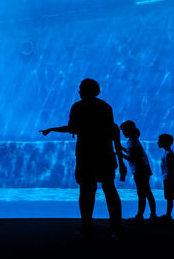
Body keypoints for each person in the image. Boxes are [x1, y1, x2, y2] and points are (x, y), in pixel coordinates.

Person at [41, 78, 127, 239]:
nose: (79, 91)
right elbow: (111, 131)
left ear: (91, 90)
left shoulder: (78, 107)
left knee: (87, 191)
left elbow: (73, 128)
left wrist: (55, 129)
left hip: (86, 154)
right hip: (104, 154)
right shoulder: (105, 107)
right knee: (109, 189)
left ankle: (87, 225)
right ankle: (116, 226)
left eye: (81, 89)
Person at [119, 121, 156, 223]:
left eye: (124, 131)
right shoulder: (133, 140)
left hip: (140, 170)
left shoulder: (133, 142)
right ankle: (152, 214)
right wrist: (121, 149)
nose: (123, 133)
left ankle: (140, 216)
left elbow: (133, 158)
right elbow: (132, 153)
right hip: (143, 169)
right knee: (147, 192)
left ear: (129, 130)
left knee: (142, 193)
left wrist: (119, 154)